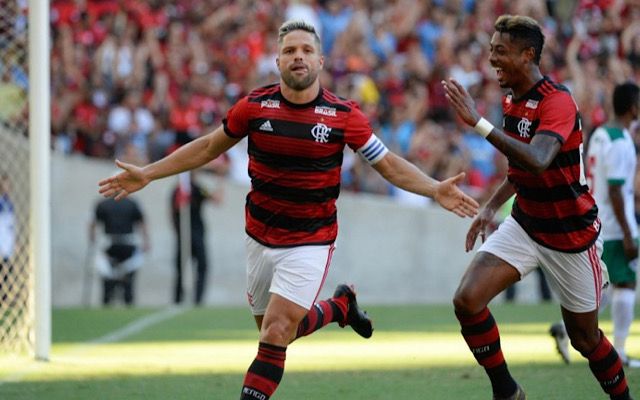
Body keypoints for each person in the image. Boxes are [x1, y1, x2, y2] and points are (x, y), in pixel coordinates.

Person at [98, 20, 479, 400]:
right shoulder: (254, 107)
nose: (299, 57)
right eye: (290, 51)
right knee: (281, 330)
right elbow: (207, 148)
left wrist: (433, 188)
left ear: (321, 61)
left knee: (277, 330)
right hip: (259, 237)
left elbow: (388, 163)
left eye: (307, 50)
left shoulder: (343, 115)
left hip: (310, 240)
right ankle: (339, 307)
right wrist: (148, 173)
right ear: (277, 61)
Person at [443, 15, 632, 400]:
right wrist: (489, 208)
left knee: (586, 340)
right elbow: (519, 171)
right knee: (467, 300)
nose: (492, 59)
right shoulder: (513, 100)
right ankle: (507, 391)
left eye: (500, 51)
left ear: (528, 55)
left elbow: (539, 158)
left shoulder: (557, 101)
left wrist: (478, 123)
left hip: (570, 236)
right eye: (492, 49)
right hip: (527, 223)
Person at [551, 82, 640, 368]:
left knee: (606, 284)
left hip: (596, 215)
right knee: (625, 281)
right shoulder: (619, 140)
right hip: (614, 223)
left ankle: (567, 329)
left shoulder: (601, 133)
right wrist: (627, 232)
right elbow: (616, 190)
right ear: (633, 107)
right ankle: (622, 350)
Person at [171, 171, 222, 305]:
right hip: (185, 234)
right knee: (183, 268)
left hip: (194, 234)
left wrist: (219, 181)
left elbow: (216, 199)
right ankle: (181, 299)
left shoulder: (197, 189)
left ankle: (195, 300)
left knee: (199, 267)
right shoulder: (179, 191)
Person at [89, 196, 150, 306]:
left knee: (110, 282)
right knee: (125, 281)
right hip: (124, 246)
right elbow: (142, 222)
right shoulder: (132, 203)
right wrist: (146, 241)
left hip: (112, 246)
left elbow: (93, 223)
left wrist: (93, 240)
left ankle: (109, 301)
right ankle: (125, 301)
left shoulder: (103, 204)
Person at [0, 173, 15, 303]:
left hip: (7, 240)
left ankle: (5, 297)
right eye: (5, 183)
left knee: (7, 268)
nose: (7, 186)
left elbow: (10, 223)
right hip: (1, 239)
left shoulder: (9, 203)